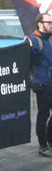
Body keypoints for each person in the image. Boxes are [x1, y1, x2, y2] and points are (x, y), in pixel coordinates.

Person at [28, 13, 52, 157]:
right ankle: (42, 145)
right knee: (43, 114)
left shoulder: (48, 39)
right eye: (48, 22)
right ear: (40, 24)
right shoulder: (34, 41)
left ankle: (50, 140)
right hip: (42, 83)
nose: (51, 25)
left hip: (50, 81)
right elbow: (28, 61)